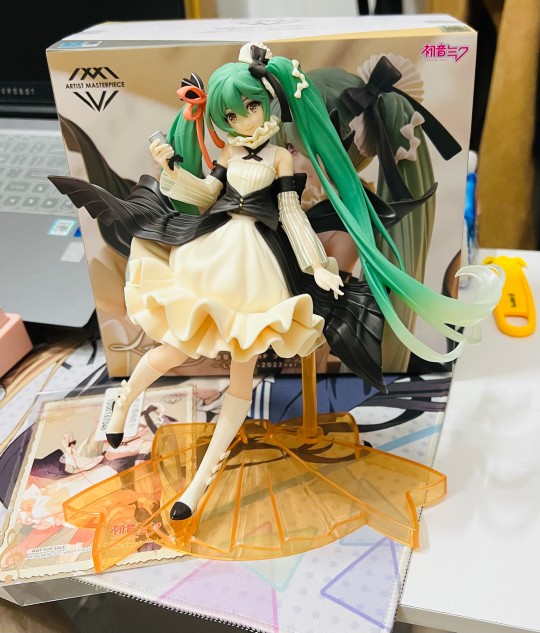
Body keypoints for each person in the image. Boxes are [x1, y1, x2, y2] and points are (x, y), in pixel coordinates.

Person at [50, 43, 502, 525]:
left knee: (240, 378)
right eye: (231, 114)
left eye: (250, 106)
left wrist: (317, 264)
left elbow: (291, 213)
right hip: (214, 251)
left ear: (267, 101)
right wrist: (172, 168)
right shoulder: (228, 151)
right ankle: (123, 403)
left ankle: (198, 488)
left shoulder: (283, 158)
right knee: (175, 347)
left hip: (260, 265)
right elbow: (205, 194)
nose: (244, 119)